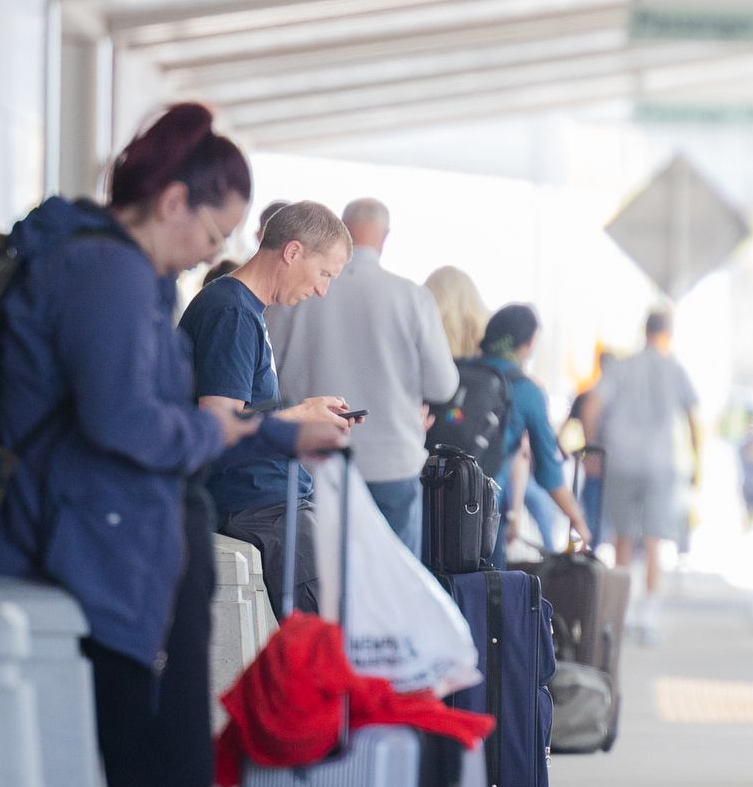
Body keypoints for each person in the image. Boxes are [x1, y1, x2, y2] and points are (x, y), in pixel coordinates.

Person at [0, 102, 351, 787]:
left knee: (169, 780)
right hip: (100, 562)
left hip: (127, 553)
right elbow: (130, 426)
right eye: (215, 229)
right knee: (156, 785)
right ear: (175, 198)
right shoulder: (104, 273)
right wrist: (270, 431)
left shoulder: (128, 274)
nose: (215, 251)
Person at [257, 198, 456, 557]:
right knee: (392, 589)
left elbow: (268, 367)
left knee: (322, 587)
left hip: (314, 462)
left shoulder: (301, 285)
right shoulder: (412, 296)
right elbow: (444, 385)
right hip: (391, 461)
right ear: (385, 236)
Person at [182, 199, 354, 609]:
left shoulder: (245, 311)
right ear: (293, 252)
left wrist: (304, 419)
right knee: (328, 641)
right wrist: (300, 415)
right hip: (258, 509)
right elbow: (217, 423)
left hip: (274, 504)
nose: (322, 290)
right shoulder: (232, 313)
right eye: (323, 273)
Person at [590, 308, 701, 636]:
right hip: (660, 464)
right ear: (667, 333)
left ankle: (619, 612)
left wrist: (593, 447)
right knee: (654, 539)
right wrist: (696, 462)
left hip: (621, 460)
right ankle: (649, 616)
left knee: (622, 536)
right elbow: (693, 418)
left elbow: (592, 405)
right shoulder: (675, 368)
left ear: (644, 330)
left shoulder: (622, 367)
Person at [462, 305, 589, 561]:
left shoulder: (459, 370)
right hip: (484, 511)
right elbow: (548, 472)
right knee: (486, 593)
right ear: (529, 343)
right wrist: (577, 519)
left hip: (435, 498)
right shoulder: (527, 390)